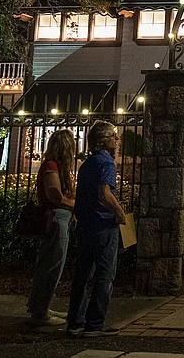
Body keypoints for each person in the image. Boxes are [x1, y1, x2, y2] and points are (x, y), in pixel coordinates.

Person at [66, 121, 127, 337]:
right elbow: (104, 193)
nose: (117, 140)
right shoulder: (107, 163)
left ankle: (75, 322)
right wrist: (119, 213)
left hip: (85, 224)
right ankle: (94, 323)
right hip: (103, 224)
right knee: (105, 274)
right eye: (113, 136)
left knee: (82, 274)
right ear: (103, 140)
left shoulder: (87, 164)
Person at [26, 129, 76, 327]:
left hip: (59, 217)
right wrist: (75, 204)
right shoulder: (51, 166)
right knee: (52, 265)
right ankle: (40, 312)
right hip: (56, 218)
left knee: (49, 264)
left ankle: (41, 307)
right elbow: (55, 195)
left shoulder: (53, 166)